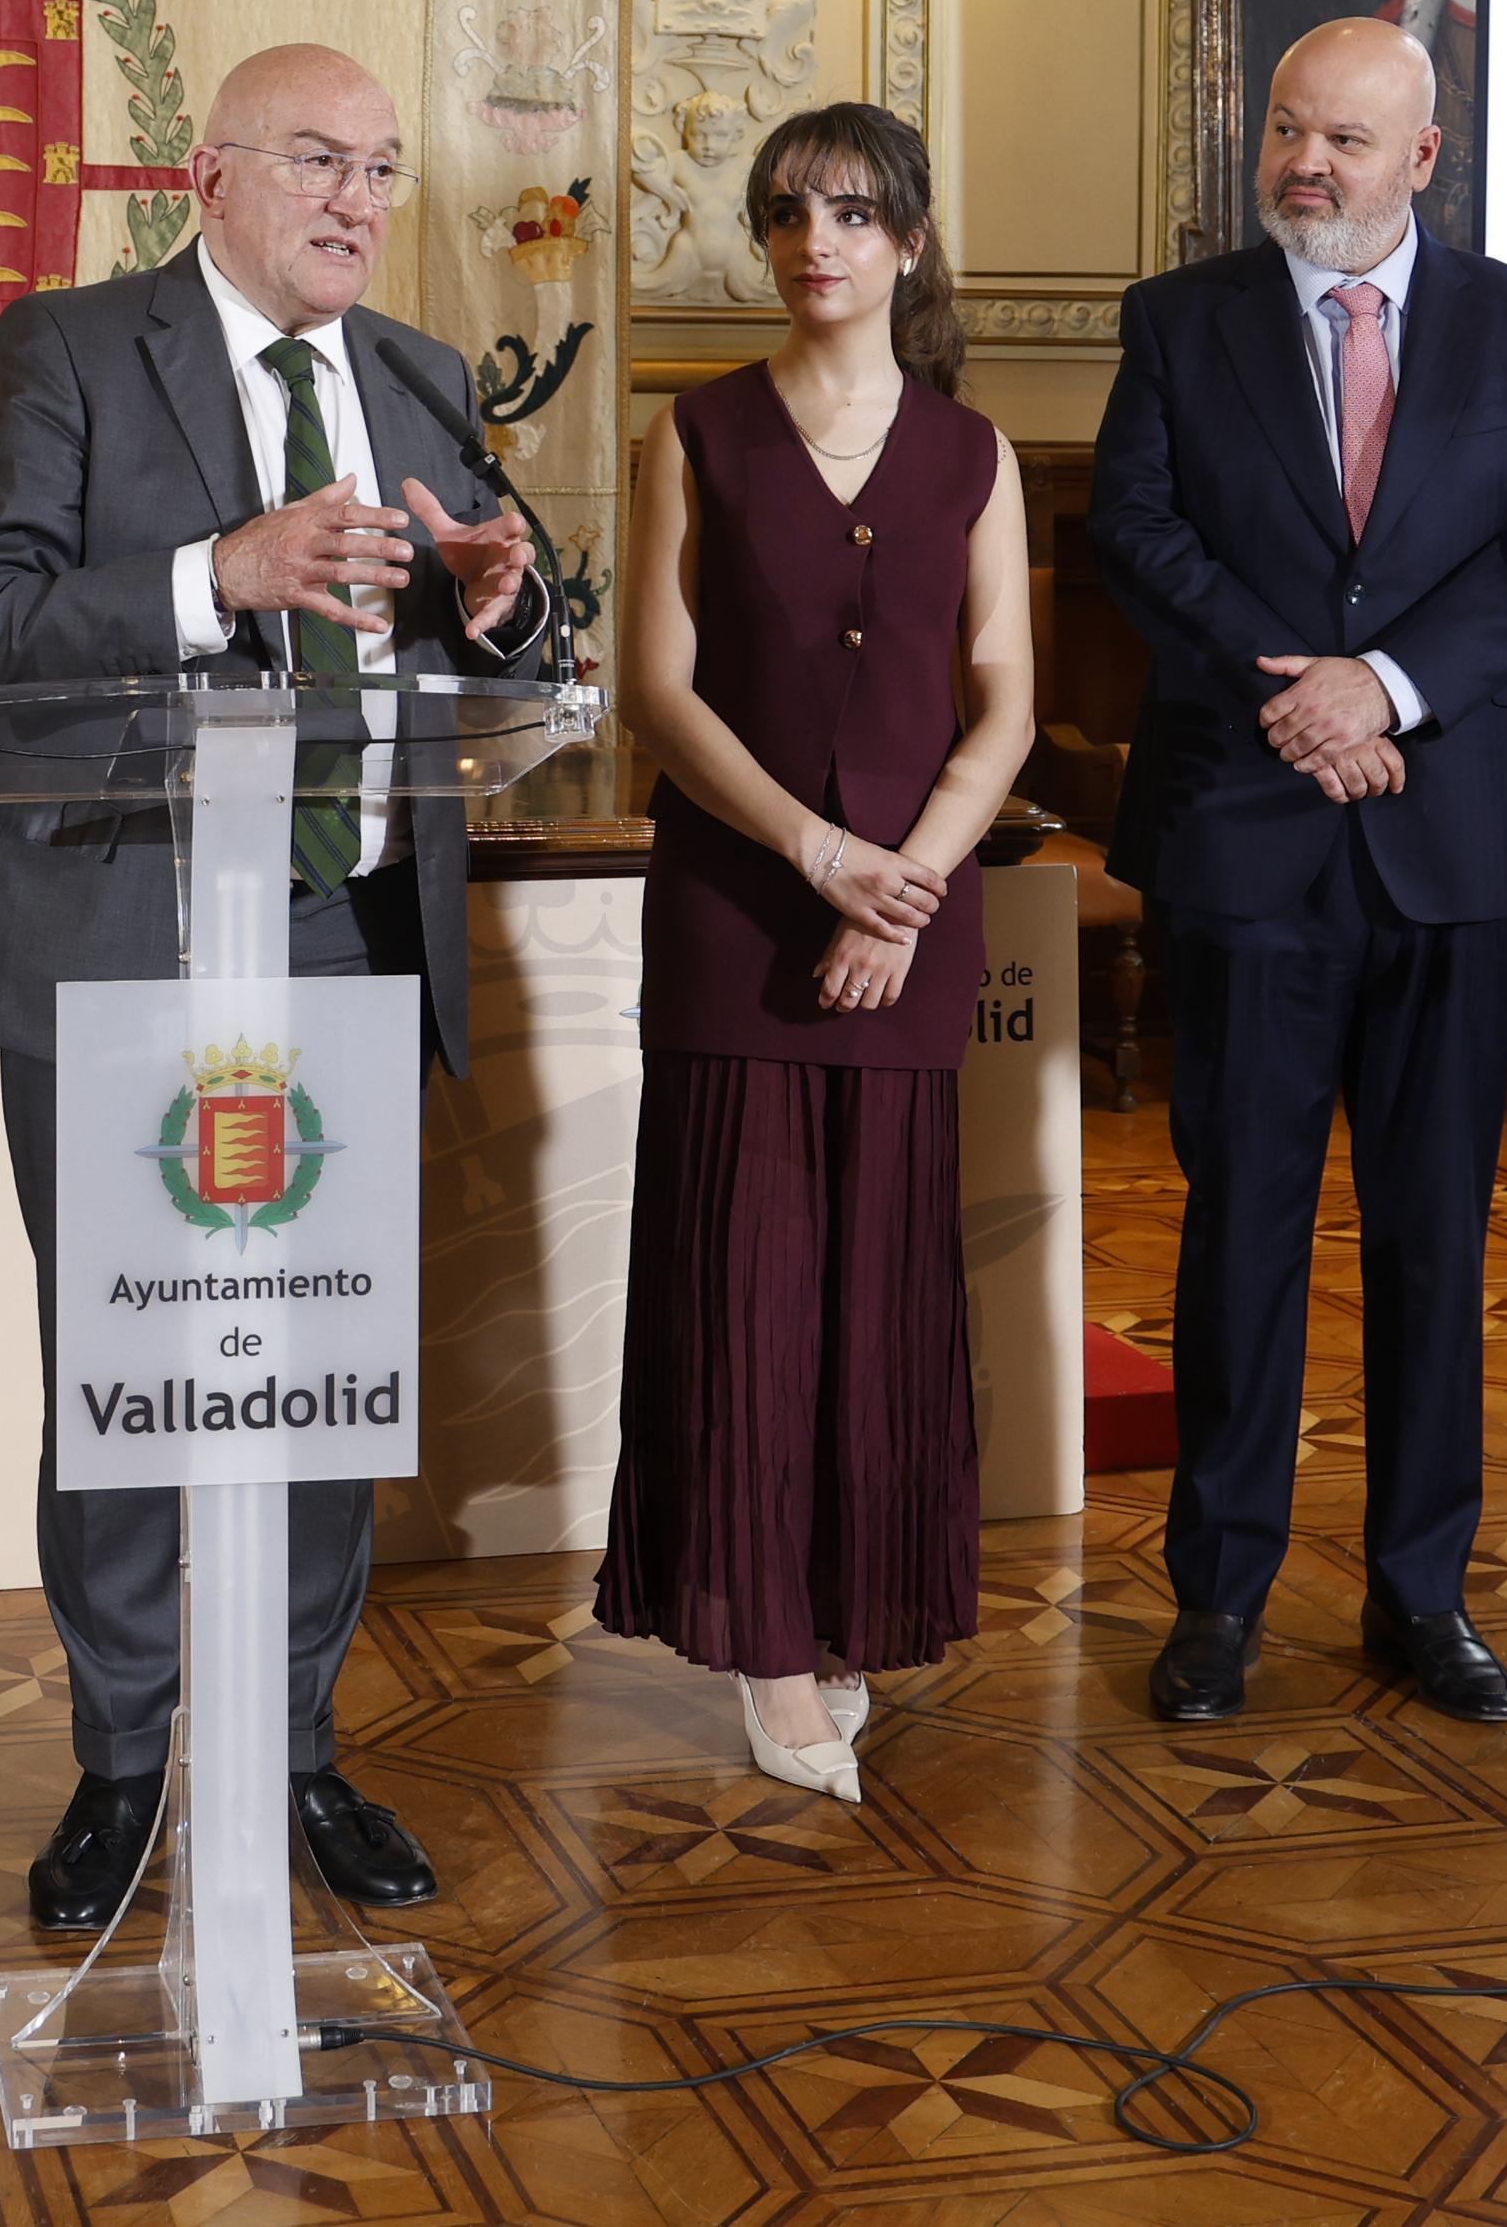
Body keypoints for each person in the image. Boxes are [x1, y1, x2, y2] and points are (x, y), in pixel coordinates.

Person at [0, 41, 549, 1935]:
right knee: (130, 1370)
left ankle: (290, 1745)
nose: (360, 199)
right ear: (209, 179)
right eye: (318, 160)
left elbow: (509, 634)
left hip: (342, 933)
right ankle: (125, 1760)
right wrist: (221, 571)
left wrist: (507, 603)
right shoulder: (70, 350)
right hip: (129, 938)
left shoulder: (419, 377)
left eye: (383, 167)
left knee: (321, 1377)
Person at [1088, 19, 1507, 1730]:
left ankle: (1421, 1592)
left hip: (1457, 842)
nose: (1306, 165)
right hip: (1247, 836)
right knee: (1240, 1225)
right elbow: (1139, 531)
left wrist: (1384, 687)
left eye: (1347, 140)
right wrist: (1302, 696)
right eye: (1287, 130)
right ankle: (1220, 1598)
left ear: (1423, 158)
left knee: (1434, 1234)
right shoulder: (1180, 319)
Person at [594, 103, 1033, 1805]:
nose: (814, 241)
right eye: (786, 212)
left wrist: (903, 883)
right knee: (746, 1289)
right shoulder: (694, 431)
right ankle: (767, 1647)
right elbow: (659, 691)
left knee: (880, 1288)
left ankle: (848, 1603)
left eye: (851, 212)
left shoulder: (973, 452)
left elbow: (1004, 704)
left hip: (910, 923)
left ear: (909, 241)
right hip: (738, 911)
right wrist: (820, 856)